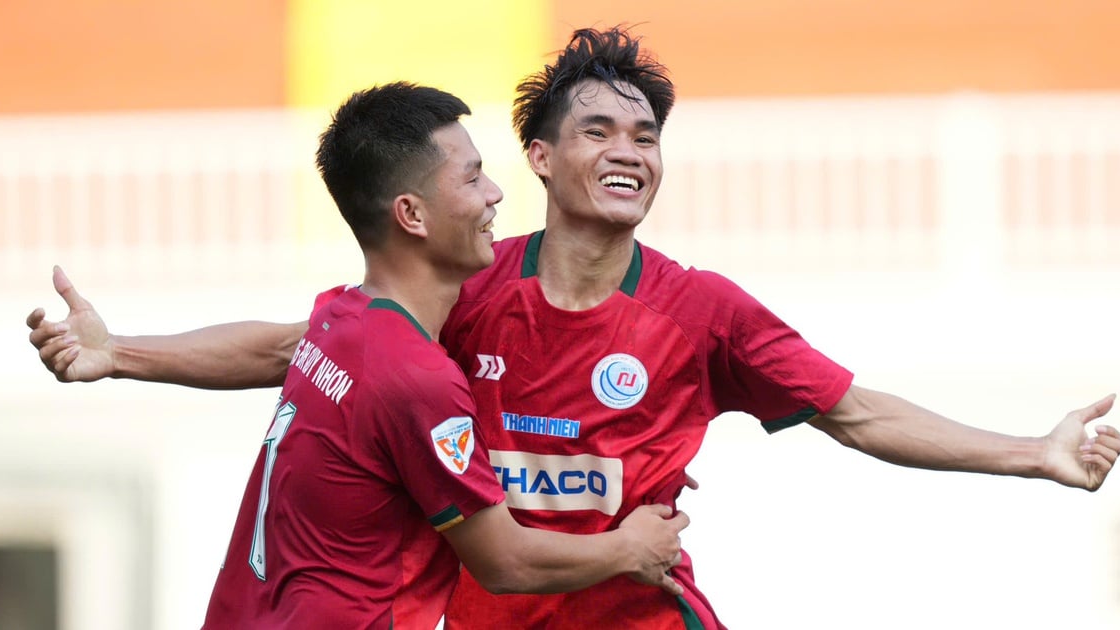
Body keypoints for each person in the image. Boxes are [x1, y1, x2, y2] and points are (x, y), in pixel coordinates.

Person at [28, 27, 1120, 630]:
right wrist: (122, 354)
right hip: (488, 613)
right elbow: (296, 350)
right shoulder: (465, 293)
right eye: (598, 127)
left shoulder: (704, 313)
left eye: (646, 134)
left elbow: (856, 409)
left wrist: (1032, 452)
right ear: (540, 160)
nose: (630, 149)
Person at [96, 81, 690, 629]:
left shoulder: (343, 320)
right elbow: (505, 563)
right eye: (472, 178)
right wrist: (628, 548)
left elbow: (277, 345)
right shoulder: (418, 379)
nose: (495, 194)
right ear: (411, 214)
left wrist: (116, 352)